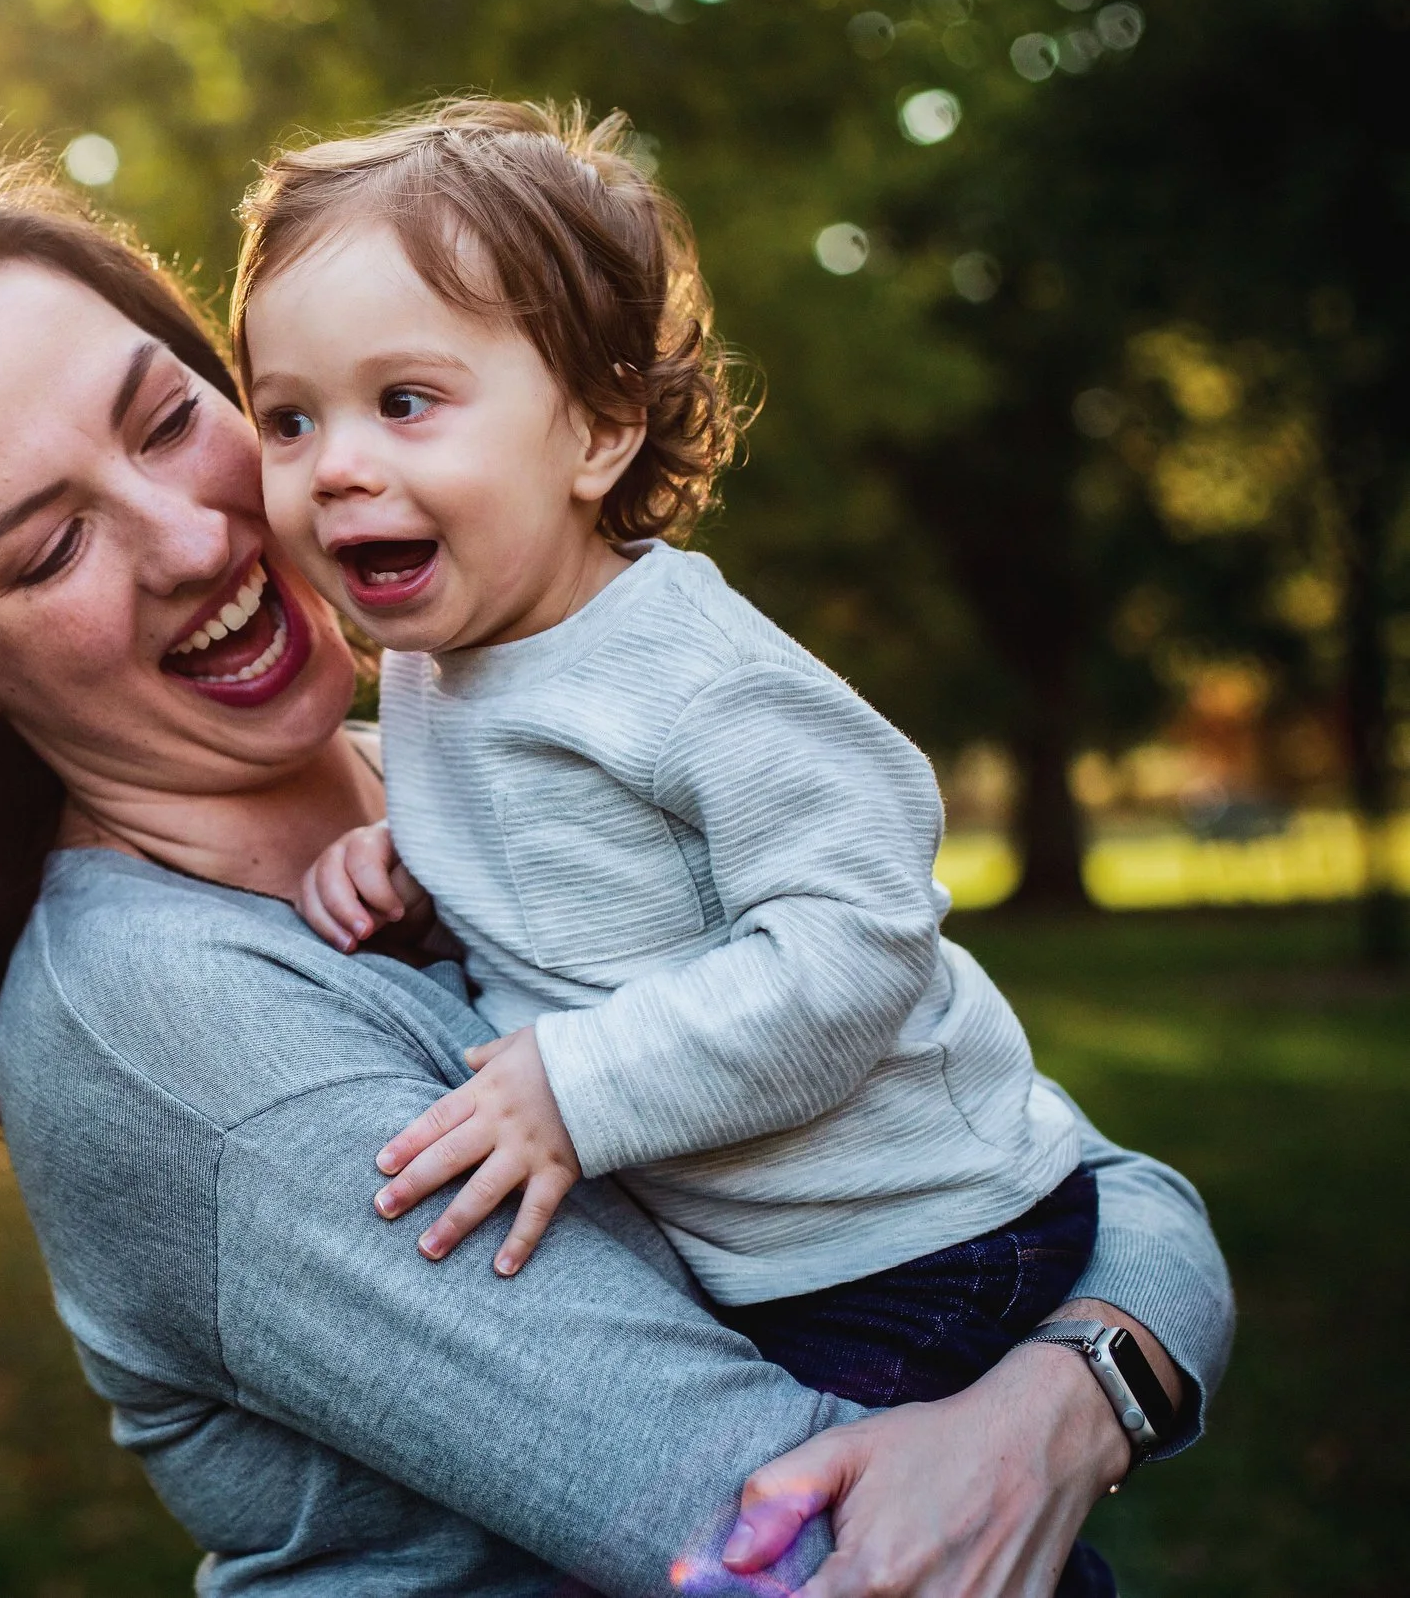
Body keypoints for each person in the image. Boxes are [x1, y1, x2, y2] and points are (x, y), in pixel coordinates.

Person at [0, 162, 1234, 1596]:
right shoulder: (172, 1026)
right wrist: (1090, 1369)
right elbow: (801, 1543)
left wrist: (1074, 1373)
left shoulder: (484, 779)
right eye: (51, 543)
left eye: (172, 421)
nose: (195, 538)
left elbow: (1011, 1146)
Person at [243, 99, 1111, 1432]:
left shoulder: (700, 673)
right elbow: (565, 855)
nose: (338, 466)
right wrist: (417, 866)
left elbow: (856, 943)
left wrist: (577, 1085)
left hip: (914, 1227)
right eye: (288, 420)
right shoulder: (435, 661)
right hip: (758, 1251)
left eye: (405, 401)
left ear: (598, 431)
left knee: (818, 1543)